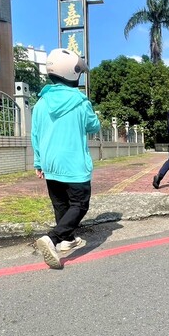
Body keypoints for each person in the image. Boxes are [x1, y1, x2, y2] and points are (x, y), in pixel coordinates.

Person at [31, 48, 100, 269]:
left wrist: (38, 161)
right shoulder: (81, 102)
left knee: (61, 203)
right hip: (73, 163)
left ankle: (67, 240)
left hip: (50, 162)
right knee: (80, 204)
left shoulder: (41, 103)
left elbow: (35, 134)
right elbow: (93, 126)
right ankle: (52, 238)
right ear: (72, 74)